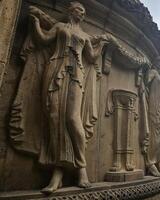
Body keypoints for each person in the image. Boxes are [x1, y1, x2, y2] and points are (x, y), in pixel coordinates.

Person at [9, 1, 118, 194]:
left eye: (84, 12)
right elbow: (43, 39)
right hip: (54, 70)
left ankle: (82, 169)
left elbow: (92, 58)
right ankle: (57, 174)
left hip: (76, 74)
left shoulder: (84, 36)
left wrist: (101, 44)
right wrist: (34, 23)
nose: (83, 14)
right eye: (80, 10)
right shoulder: (59, 27)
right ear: (71, 11)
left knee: (72, 119)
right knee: (54, 119)